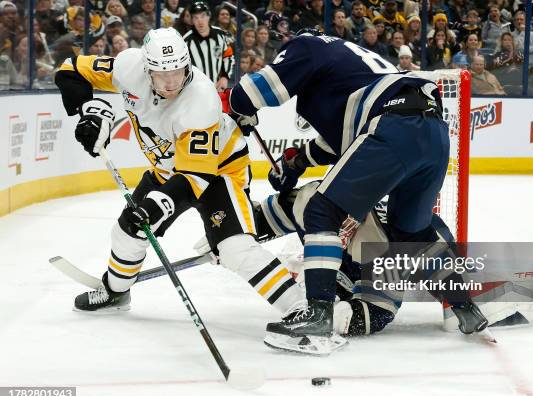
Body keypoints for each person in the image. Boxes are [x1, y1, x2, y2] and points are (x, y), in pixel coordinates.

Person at [53, 28, 305, 317]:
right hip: (167, 168)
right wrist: (91, 110)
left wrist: (155, 206)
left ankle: (301, 310)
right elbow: (69, 71)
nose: (172, 81)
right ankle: (115, 292)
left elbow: (195, 177)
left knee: (235, 249)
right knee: (126, 233)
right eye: (162, 74)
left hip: (219, 172)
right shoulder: (128, 66)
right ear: (147, 70)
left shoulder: (201, 100)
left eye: (178, 71)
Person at [230, 31, 455, 354]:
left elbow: (247, 95)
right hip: (428, 133)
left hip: (378, 258)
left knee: (320, 210)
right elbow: (342, 141)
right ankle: (463, 304)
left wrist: (232, 234)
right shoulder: (361, 83)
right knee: (401, 230)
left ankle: (321, 315)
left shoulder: (306, 47)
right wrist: (295, 164)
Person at [251, 181, 489, 337]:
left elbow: (377, 311)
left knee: (347, 315)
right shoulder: (313, 201)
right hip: (361, 249)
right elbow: (258, 218)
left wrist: (459, 302)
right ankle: (318, 274)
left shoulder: (395, 242)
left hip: (386, 261)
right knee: (319, 261)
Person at [183, 1, 234, 93]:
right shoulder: (186, 41)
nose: (200, 21)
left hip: (218, 90)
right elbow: (182, 68)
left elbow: (228, 56)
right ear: (192, 20)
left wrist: (225, 77)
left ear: (208, 16)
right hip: (195, 92)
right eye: (196, 17)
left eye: (202, 16)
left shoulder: (221, 35)